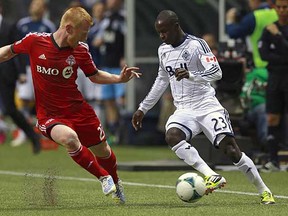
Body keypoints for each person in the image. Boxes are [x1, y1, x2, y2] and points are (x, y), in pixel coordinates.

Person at [132, 10, 275, 204]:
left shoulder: (197, 45)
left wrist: (191, 75)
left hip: (207, 105)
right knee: (172, 135)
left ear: (176, 26)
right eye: (159, 32)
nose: (162, 36)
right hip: (183, 109)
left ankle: (264, 190)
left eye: (164, 31)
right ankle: (211, 175)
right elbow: (161, 80)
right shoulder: (163, 50)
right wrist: (143, 108)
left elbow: (216, 73)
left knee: (232, 151)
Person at [0, 6, 140, 204]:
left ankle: (116, 183)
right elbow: (8, 52)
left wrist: (119, 79)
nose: (85, 38)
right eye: (82, 33)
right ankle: (103, 177)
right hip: (49, 115)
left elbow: (95, 75)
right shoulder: (35, 41)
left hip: (79, 111)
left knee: (104, 152)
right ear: (68, 28)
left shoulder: (81, 50)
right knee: (69, 139)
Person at [13, 0, 56, 145]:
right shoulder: (22, 24)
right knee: (23, 100)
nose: (34, 7)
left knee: (43, 101)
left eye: (38, 5)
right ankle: (24, 132)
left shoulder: (49, 26)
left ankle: (45, 131)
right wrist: (19, 71)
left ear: (44, 9)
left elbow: (53, 49)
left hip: (42, 69)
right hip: (26, 68)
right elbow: (16, 48)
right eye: (33, 5)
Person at [0, 0, 41, 153]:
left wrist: (23, 72)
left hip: (6, 73)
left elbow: (20, 49)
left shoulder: (10, 26)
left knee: (10, 109)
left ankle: (33, 136)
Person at [258, 0, 288, 172]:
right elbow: (263, 55)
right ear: (275, 8)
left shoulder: (274, 31)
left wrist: (278, 37)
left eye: (285, 7)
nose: (282, 10)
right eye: (280, 7)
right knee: (272, 118)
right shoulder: (268, 29)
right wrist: (282, 57)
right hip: (275, 78)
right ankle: (273, 161)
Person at [94, 0, 126, 144]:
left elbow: (127, 38)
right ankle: (114, 132)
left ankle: (126, 130)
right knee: (108, 100)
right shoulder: (105, 19)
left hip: (118, 64)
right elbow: (99, 38)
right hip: (105, 64)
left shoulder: (124, 18)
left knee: (122, 99)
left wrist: (125, 56)